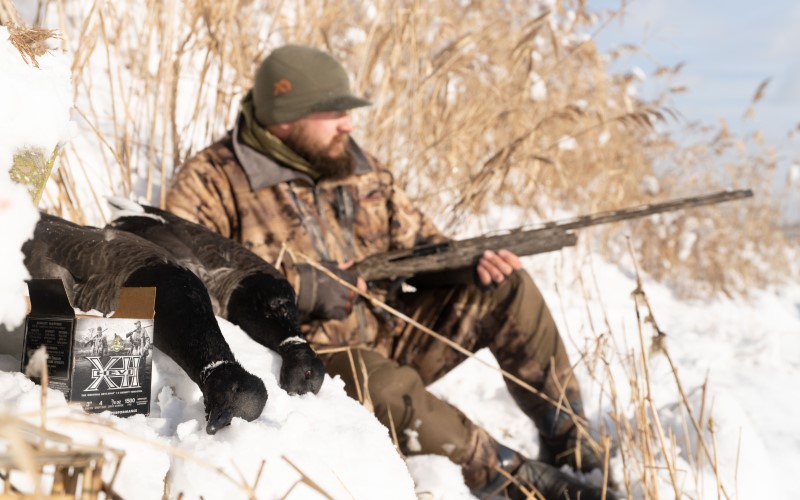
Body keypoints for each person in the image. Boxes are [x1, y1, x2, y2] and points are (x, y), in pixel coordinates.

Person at [166, 44, 613, 498]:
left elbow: (421, 245)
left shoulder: (357, 167)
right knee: (381, 381)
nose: (349, 123)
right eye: (333, 112)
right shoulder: (210, 181)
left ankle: (575, 452)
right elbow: (181, 285)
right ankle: (532, 485)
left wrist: (466, 266)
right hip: (303, 363)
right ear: (284, 116)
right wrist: (300, 289)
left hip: (386, 332)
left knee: (505, 288)